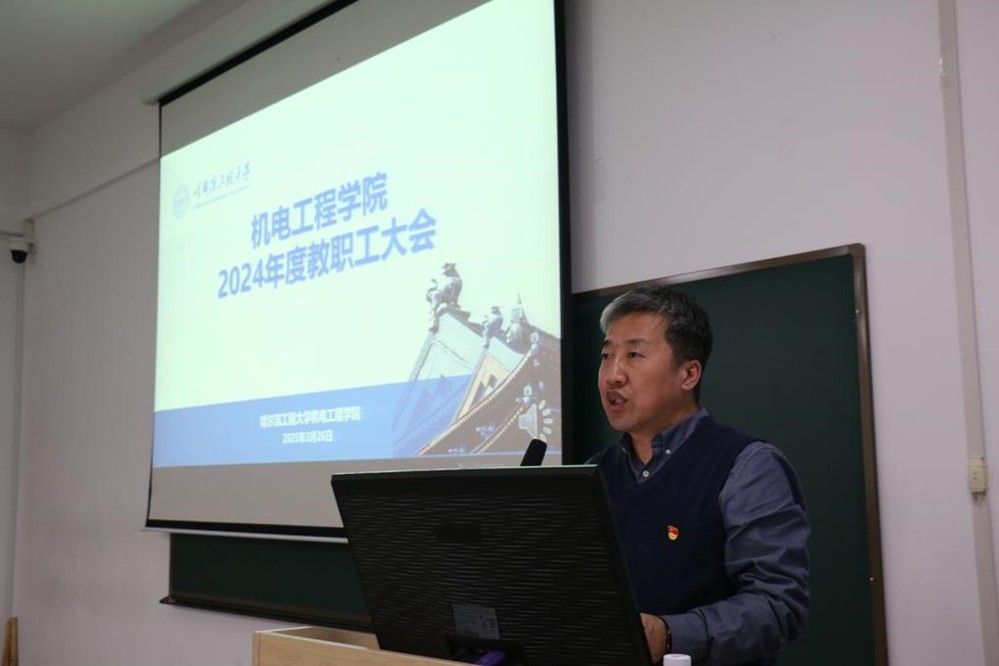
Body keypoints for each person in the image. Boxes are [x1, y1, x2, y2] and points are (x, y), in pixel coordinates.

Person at [589, 284, 809, 665]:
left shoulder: (747, 466)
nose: (612, 375)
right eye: (607, 356)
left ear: (689, 374)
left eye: (634, 355)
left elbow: (778, 605)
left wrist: (670, 635)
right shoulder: (594, 473)